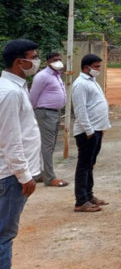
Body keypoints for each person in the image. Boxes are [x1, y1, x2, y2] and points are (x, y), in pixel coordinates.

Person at [0, 39, 41, 267]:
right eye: (33, 57)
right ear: (19, 62)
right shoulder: (10, 93)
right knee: (4, 235)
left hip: (11, 173)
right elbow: (10, 139)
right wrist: (24, 175)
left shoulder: (15, 88)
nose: (37, 61)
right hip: (11, 176)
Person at [72, 54, 111, 213]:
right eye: (96, 67)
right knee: (84, 165)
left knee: (90, 165)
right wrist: (88, 130)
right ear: (86, 67)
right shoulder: (80, 84)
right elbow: (80, 110)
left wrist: (101, 128)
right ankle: (81, 200)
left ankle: (88, 195)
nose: (98, 70)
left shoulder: (92, 82)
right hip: (87, 131)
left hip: (97, 129)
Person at [29, 52, 69, 187]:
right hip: (45, 113)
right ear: (48, 62)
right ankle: (50, 177)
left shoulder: (57, 75)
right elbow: (33, 97)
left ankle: (41, 173)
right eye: (54, 60)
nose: (58, 62)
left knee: (48, 145)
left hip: (55, 113)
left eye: (59, 59)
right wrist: (34, 112)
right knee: (47, 146)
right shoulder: (42, 76)